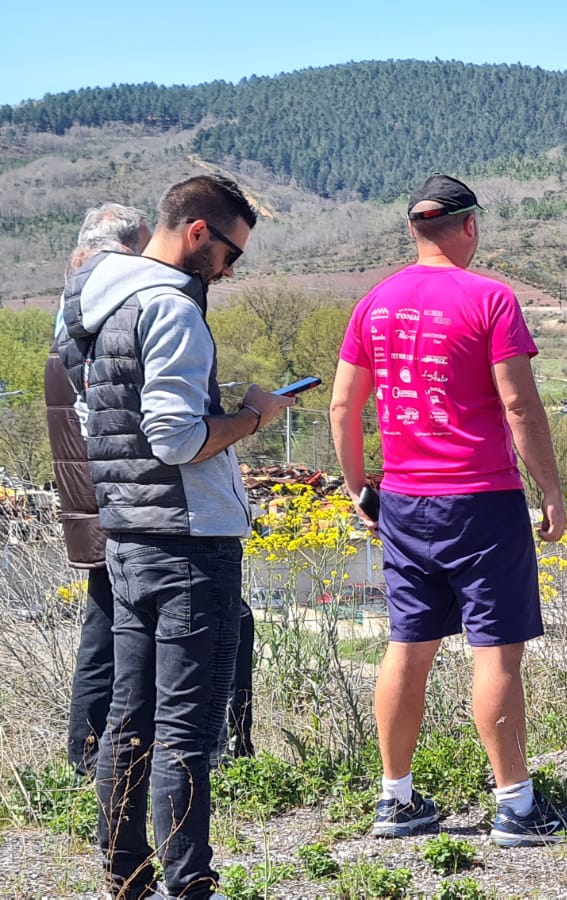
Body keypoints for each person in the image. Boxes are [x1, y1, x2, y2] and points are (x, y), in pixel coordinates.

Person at [57, 174, 295, 898]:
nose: (230, 270)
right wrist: (253, 416)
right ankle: (190, 887)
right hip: (190, 541)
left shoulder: (96, 305)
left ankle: (126, 877)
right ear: (198, 232)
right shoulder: (170, 308)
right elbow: (173, 437)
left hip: (128, 532)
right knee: (186, 735)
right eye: (231, 255)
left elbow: (115, 420)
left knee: (130, 721)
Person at [329, 173, 567, 847]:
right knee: (495, 652)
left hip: (404, 501)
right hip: (482, 500)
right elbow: (519, 405)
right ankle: (515, 805)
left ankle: (395, 799)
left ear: (414, 229)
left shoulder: (374, 303)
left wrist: (359, 489)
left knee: (409, 644)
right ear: (469, 227)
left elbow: (344, 405)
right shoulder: (490, 298)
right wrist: (549, 490)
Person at [48, 202, 151, 776]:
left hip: (85, 478)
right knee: (109, 616)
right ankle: (93, 755)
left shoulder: (68, 307)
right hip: (109, 479)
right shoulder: (102, 310)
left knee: (106, 614)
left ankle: (89, 754)